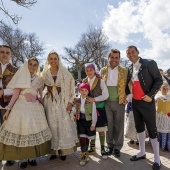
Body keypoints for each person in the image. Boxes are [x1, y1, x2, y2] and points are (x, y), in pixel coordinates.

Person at [0, 58, 52, 169]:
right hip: (21, 107)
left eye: (35, 65)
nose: (32, 67)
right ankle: (23, 158)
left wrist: (37, 99)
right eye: (30, 65)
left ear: (37, 67)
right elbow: (15, 95)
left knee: (33, 132)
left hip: (35, 109)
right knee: (23, 131)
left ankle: (32, 157)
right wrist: (8, 110)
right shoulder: (21, 77)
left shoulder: (39, 79)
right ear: (27, 65)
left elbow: (40, 95)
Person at [126, 45, 163, 170]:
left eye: (133, 52)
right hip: (135, 103)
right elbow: (128, 85)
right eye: (128, 53)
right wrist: (128, 95)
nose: (131, 54)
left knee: (152, 130)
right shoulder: (129, 68)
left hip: (147, 102)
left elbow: (158, 80)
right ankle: (142, 152)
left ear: (138, 52)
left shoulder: (149, 63)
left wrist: (150, 95)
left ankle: (157, 158)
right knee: (139, 128)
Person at [42, 51, 78, 161]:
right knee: (52, 125)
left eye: (55, 58)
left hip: (62, 102)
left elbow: (72, 89)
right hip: (49, 102)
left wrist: (70, 102)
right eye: (51, 58)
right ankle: (53, 151)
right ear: (48, 60)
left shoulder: (65, 73)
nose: (53, 61)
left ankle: (63, 151)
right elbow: (40, 88)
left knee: (63, 125)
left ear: (58, 60)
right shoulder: (45, 73)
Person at [100, 49, 127, 157]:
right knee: (109, 125)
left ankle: (117, 147)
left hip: (120, 101)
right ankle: (110, 145)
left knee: (119, 125)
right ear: (108, 58)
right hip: (106, 102)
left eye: (117, 58)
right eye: (112, 57)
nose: (114, 60)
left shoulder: (124, 70)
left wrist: (128, 97)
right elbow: (97, 83)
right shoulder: (103, 70)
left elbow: (129, 84)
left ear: (119, 59)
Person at [83, 63, 109, 159]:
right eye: (87, 70)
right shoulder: (85, 81)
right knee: (91, 128)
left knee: (101, 129)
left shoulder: (100, 81)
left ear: (94, 70)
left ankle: (102, 148)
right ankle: (92, 147)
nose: (89, 72)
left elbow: (106, 95)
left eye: (91, 70)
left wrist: (95, 99)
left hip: (99, 108)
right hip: (89, 109)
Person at [0, 44, 18, 166]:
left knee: (8, 131)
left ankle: (9, 156)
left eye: (7, 52)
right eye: (2, 52)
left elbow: (17, 89)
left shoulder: (16, 70)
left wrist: (3, 92)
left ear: (11, 55)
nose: (5, 54)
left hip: (6, 105)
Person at [74, 83, 97, 166]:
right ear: (79, 91)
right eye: (82, 90)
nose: (83, 92)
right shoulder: (77, 100)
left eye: (85, 90)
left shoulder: (91, 101)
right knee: (82, 137)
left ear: (88, 91)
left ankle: (85, 152)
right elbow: (75, 110)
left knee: (87, 137)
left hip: (89, 121)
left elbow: (94, 113)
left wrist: (93, 124)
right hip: (80, 121)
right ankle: (83, 154)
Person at [155, 83, 170, 151]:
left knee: (167, 130)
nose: (165, 90)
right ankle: (161, 145)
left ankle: (167, 145)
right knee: (159, 129)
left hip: (167, 117)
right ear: (161, 89)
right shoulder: (158, 97)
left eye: (167, 89)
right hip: (159, 116)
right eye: (164, 89)